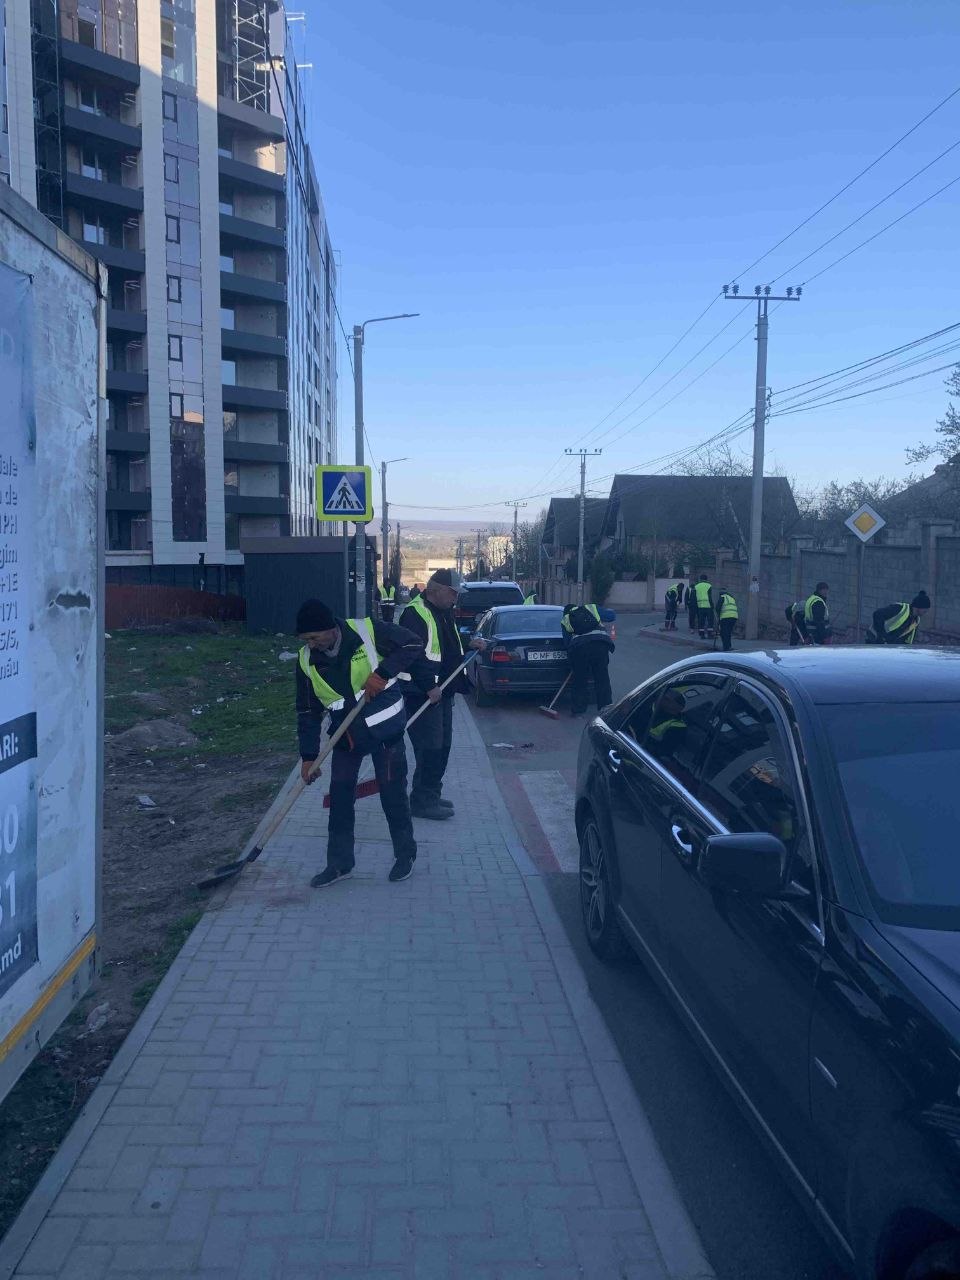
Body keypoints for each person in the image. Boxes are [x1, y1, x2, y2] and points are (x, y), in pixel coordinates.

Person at [295, 598, 424, 887]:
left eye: (314, 637)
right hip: (347, 737)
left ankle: (405, 855)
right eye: (305, 640)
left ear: (330, 628)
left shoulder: (367, 631)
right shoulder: (306, 660)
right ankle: (339, 864)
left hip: (384, 733)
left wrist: (383, 673)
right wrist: (308, 756)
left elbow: (413, 643)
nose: (311, 645)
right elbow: (307, 711)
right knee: (340, 798)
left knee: (392, 794)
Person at [399, 568, 480, 820]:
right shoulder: (415, 614)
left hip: (443, 691)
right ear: (437, 590)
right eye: (453, 593)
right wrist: (428, 686)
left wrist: (469, 643)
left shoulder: (444, 612)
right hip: (422, 694)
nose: (456, 598)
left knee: (443, 747)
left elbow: (447, 643)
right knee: (430, 748)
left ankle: (431, 793)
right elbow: (412, 654)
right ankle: (422, 801)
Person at [562, 602, 614, 715]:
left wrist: (573, 662)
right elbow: (611, 616)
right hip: (600, 645)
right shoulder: (591, 608)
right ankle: (606, 708)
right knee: (602, 678)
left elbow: (567, 643)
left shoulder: (566, 618)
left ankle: (578, 710)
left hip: (580, 649)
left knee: (580, 680)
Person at [693, 573, 714, 640]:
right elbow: (710, 597)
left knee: (701, 621)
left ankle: (702, 635)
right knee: (710, 620)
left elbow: (694, 598)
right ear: (706, 579)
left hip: (700, 606)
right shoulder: (709, 585)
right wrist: (712, 605)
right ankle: (710, 634)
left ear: (700, 579)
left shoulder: (696, 586)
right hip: (708, 606)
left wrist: (695, 607)